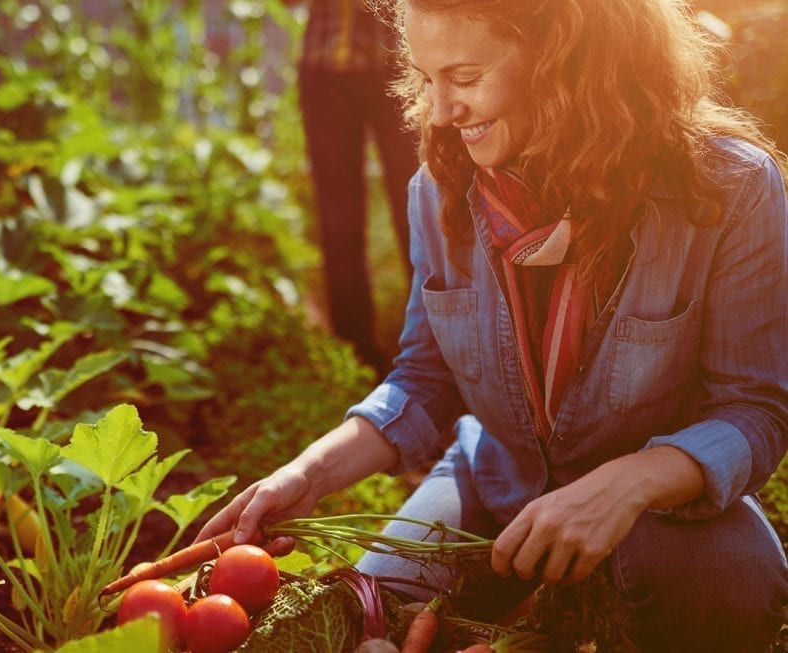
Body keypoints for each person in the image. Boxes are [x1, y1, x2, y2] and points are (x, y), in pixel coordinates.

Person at [197, 0, 788, 649]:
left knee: (728, 593)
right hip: (496, 475)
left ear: (566, 61)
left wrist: (630, 482)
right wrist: (308, 473)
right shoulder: (440, 188)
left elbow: (754, 409)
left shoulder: (731, 189)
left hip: (661, 499)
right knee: (366, 613)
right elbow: (424, 378)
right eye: (428, 79)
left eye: (466, 77)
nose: (443, 111)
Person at [290, 0, 420, 374]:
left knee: (417, 207)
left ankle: (435, 344)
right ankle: (356, 353)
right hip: (325, 70)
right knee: (338, 220)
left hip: (400, 64)